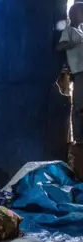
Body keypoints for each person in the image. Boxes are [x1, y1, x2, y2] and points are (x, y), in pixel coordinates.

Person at [58, 3, 83, 144]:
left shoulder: (80, 31)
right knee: (79, 106)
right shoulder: (69, 31)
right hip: (79, 72)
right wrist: (71, 44)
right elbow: (60, 47)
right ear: (73, 15)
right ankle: (78, 139)